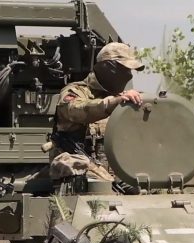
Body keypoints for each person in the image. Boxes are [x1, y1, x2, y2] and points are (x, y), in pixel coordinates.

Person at [49, 42, 145, 182]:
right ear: (107, 67)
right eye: (125, 69)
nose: (129, 75)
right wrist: (112, 103)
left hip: (119, 179)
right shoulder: (76, 91)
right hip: (81, 180)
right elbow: (76, 110)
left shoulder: (125, 98)